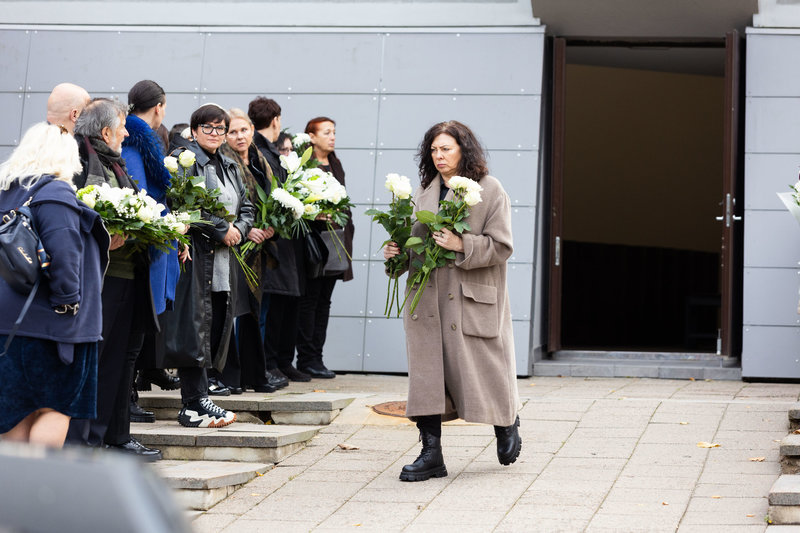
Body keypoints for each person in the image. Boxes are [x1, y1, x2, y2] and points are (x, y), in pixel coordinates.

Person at [383, 120, 522, 482]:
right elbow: (413, 244)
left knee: (485, 369)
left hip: (470, 300)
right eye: (433, 150)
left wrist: (463, 244)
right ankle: (432, 454)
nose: (439, 156)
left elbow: (502, 246)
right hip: (427, 302)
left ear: (464, 149)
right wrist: (395, 254)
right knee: (427, 376)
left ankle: (506, 422)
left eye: (446, 148)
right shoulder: (424, 192)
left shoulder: (489, 190)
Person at [0, 122, 109, 448]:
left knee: (13, 412)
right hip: (53, 326)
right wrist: (69, 302)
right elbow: (64, 255)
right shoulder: (56, 192)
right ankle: (34, 493)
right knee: (54, 407)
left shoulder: (7, 191)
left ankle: (12, 494)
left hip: (9, 324)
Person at [66, 98, 163, 460]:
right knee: (97, 359)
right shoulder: (80, 160)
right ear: (105, 131)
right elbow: (77, 214)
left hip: (126, 274)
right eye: (122, 125)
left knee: (118, 358)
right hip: (100, 279)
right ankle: (86, 439)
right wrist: (105, 233)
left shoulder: (112, 160)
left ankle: (108, 436)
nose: (126, 131)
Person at [162, 103, 253, 427]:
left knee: (215, 324)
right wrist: (221, 229)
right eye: (208, 128)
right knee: (195, 327)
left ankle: (203, 393)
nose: (214, 134)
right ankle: (194, 400)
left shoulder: (230, 165)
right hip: (196, 255)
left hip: (224, 259)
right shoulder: (183, 163)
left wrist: (239, 230)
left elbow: (248, 206)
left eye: (220, 129)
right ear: (195, 130)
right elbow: (183, 205)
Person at [119, 80, 184, 424]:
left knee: (139, 332)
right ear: (159, 106)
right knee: (133, 333)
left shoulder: (141, 139)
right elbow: (140, 199)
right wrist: (173, 223)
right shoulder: (135, 144)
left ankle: (129, 398)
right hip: (141, 252)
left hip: (151, 246)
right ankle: (126, 400)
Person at [218, 108, 287, 392]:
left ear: (251, 130)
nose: (239, 137)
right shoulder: (224, 161)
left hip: (258, 249)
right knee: (235, 311)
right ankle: (231, 376)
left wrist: (271, 226)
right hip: (235, 245)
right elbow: (225, 204)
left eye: (243, 130)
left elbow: (271, 197)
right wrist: (248, 229)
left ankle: (253, 374)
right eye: (232, 132)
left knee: (251, 312)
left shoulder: (259, 159)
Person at [248, 97, 308, 383]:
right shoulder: (261, 152)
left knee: (272, 310)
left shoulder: (266, 151)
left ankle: (271, 364)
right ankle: (261, 367)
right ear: (276, 121)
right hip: (265, 240)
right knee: (262, 312)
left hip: (272, 238)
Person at [295, 117, 354, 379]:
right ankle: (306, 358)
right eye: (326, 132)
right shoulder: (303, 164)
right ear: (311, 136)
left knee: (324, 302)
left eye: (334, 132)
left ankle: (316, 357)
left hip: (335, 239)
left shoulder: (335, 163)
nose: (332, 137)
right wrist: (314, 215)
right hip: (311, 241)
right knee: (308, 302)